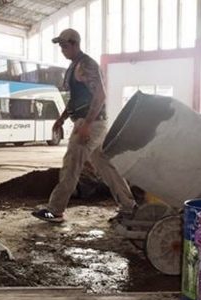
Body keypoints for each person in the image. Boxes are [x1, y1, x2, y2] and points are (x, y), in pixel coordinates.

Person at [31, 29, 137, 223]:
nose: (62, 50)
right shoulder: (75, 66)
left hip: (90, 124)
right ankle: (129, 206)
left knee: (71, 164)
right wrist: (62, 118)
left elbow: (100, 95)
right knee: (105, 165)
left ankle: (55, 210)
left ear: (74, 44)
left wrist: (87, 124)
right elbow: (76, 99)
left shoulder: (86, 65)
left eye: (64, 46)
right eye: (60, 46)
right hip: (93, 122)